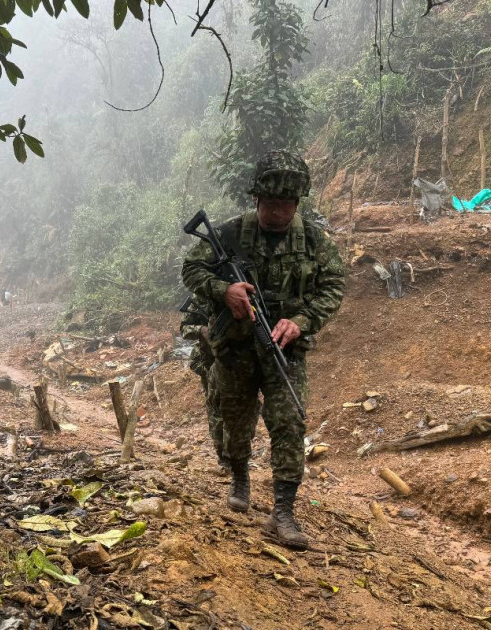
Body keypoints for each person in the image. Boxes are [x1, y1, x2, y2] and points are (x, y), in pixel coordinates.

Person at [181, 150, 345, 549]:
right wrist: (225, 290)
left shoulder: (313, 240)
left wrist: (301, 321)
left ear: (297, 204)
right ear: (256, 200)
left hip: (283, 348)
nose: (277, 212)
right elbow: (191, 268)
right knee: (236, 418)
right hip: (235, 347)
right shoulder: (231, 234)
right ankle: (239, 476)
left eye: (286, 205)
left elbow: (333, 287)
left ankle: (283, 511)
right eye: (270, 203)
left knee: (289, 421)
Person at [179, 296, 226, 470]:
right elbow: (184, 330)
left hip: (238, 360)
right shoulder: (200, 297)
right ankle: (223, 455)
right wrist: (202, 329)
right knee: (216, 408)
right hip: (210, 361)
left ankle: (239, 455)